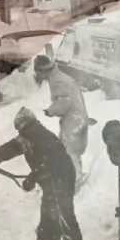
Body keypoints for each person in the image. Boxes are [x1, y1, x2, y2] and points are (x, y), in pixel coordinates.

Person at [0, 107, 86, 240]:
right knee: (48, 209)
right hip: (51, 176)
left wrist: (32, 178)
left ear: (25, 124)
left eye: (19, 127)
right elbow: (11, 148)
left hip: (61, 176)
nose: (19, 132)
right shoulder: (28, 135)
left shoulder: (39, 135)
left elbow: (51, 162)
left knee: (64, 212)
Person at [34, 54, 89, 183]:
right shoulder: (59, 77)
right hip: (77, 117)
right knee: (72, 148)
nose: (38, 75)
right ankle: (78, 174)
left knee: (69, 149)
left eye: (38, 72)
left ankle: (75, 179)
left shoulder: (57, 80)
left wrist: (51, 110)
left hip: (74, 119)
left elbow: (64, 101)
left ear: (43, 70)